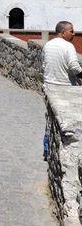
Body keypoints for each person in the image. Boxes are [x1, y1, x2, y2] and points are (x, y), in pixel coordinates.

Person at [42, 21, 82, 159]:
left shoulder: (48, 45)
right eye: (71, 31)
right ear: (63, 32)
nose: (73, 33)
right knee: (66, 122)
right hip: (65, 88)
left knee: (51, 118)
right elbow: (74, 66)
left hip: (49, 87)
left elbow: (43, 64)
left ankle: (47, 149)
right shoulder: (68, 46)